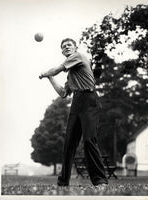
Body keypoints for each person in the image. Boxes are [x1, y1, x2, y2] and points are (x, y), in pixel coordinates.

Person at [39, 38, 108, 189]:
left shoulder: (78, 57)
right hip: (77, 102)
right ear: (62, 52)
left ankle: (100, 180)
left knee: (89, 140)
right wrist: (50, 78)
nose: (67, 47)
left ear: (75, 48)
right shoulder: (71, 75)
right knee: (69, 144)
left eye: (69, 45)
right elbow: (63, 93)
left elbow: (56, 70)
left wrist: (46, 73)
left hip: (89, 100)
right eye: (64, 47)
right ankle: (63, 183)